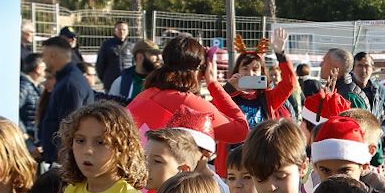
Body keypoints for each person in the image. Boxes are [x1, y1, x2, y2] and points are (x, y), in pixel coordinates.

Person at [128, 35, 251, 176]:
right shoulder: (186, 101)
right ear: (202, 70)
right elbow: (241, 130)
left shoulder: (144, 95)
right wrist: (214, 84)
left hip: (135, 186)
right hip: (170, 191)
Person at [37, 36, 94, 165]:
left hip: (62, 162)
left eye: (44, 56)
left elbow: (69, 127)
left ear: (52, 55)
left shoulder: (69, 84)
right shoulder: (67, 80)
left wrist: (62, 162)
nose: (44, 60)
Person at [225, 48, 300, 129]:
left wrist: (280, 54)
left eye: (255, 69)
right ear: (237, 71)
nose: (250, 73)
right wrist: (229, 89)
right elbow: (214, 109)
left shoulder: (269, 97)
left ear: (262, 73)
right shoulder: (227, 96)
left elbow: (289, 84)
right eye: (245, 69)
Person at [350, 50, 385, 134]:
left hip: (372, 137)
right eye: (359, 66)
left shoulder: (379, 89)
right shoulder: (346, 88)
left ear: (372, 69)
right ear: (353, 68)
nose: (363, 70)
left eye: (367, 66)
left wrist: (382, 129)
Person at [108, 40, 159, 104]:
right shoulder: (120, 82)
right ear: (140, 57)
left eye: (159, 54)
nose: (159, 58)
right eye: (154, 54)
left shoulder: (161, 81)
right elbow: (112, 108)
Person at [96, 22, 133, 91]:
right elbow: (100, 64)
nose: (122, 32)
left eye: (124, 30)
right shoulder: (107, 45)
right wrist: (104, 79)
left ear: (128, 32)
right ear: (115, 31)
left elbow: (135, 64)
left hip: (127, 81)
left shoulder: (132, 46)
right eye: (119, 29)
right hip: (111, 82)